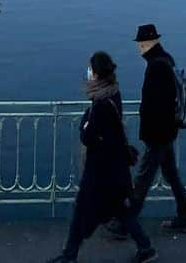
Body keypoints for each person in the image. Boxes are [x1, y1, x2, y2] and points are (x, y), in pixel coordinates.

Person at [47, 51, 156, 263]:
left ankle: (70, 255)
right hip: (114, 170)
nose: (88, 73)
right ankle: (146, 248)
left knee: (81, 212)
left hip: (100, 173)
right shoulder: (113, 94)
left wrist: (84, 124)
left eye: (90, 69)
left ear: (95, 74)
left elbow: (89, 137)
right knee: (120, 210)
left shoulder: (101, 104)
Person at [107, 24, 186, 237]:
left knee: (142, 180)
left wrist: (149, 132)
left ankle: (126, 224)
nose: (139, 48)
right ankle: (185, 218)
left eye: (140, 44)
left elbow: (156, 105)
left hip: (158, 135)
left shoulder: (156, 67)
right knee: (171, 176)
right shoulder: (166, 60)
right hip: (167, 132)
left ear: (147, 44)